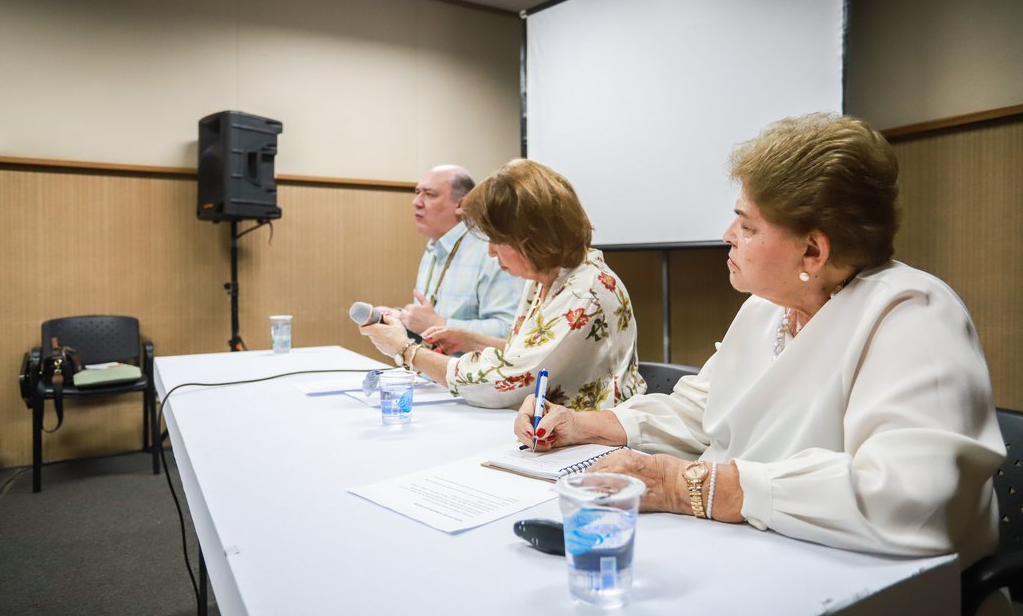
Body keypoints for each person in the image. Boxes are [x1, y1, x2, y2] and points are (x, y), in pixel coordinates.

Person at [514, 114, 1006, 578]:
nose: (727, 236)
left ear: (813, 250)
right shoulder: (768, 306)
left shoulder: (911, 314)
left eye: (747, 226)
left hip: (875, 591)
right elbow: (706, 407)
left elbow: (912, 498)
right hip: (759, 555)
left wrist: (684, 486)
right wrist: (582, 425)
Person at [360, 158, 646, 409]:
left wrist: (406, 350)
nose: (491, 251)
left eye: (499, 240)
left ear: (533, 236)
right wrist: (470, 339)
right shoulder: (547, 279)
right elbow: (532, 354)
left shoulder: (586, 292)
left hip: (590, 448)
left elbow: (503, 382)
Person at [380, 164, 524, 340]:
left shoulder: (492, 250)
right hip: (427, 363)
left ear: (461, 204)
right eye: (417, 192)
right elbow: (427, 317)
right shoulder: (434, 246)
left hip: (471, 367)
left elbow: (509, 329)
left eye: (429, 194)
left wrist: (439, 324)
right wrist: (400, 317)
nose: (416, 202)